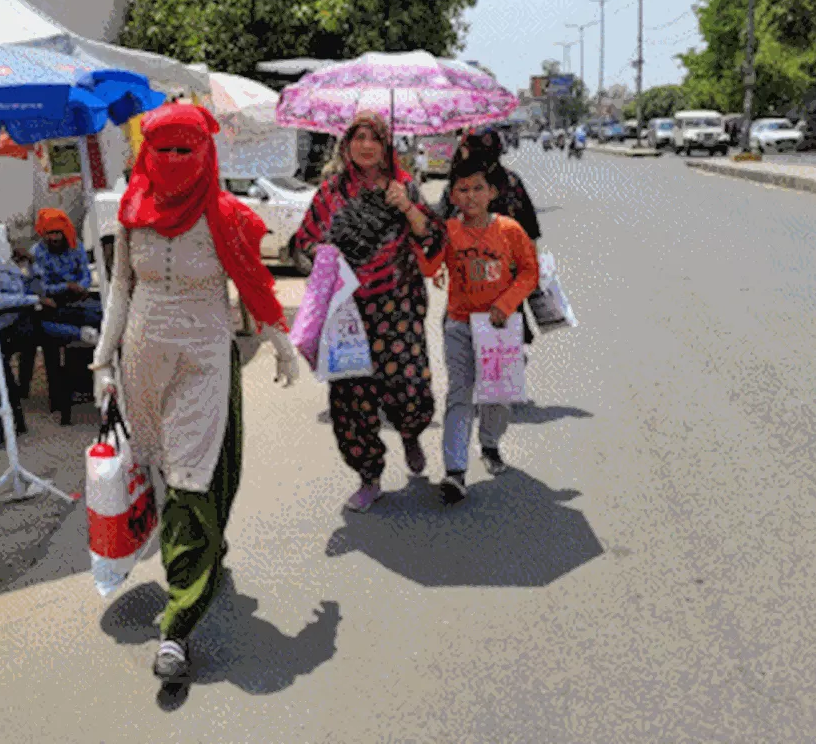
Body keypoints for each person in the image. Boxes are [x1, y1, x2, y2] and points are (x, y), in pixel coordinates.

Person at [90, 102, 299, 682]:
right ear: (147, 153)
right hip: (143, 359)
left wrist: (280, 343)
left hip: (205, 357)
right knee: (167, 475)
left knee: (191, 479)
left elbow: (255, 284)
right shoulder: (132, 212)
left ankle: (176, 628)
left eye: (187, 149)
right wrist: (103, 361)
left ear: (206, 154)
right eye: (165, 150)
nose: (177, 161)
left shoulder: (226, 215)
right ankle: (203, 557)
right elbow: (121, 289)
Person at [293, 112, 444, 514]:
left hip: (397, 309)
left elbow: (432, 240)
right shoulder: (329, 194)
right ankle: (369, 475)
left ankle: (411, 432)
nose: (365, 146)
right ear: (346, 145)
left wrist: (407, 207)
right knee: (351, 401)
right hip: (347, 314)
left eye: (374, 138)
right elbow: (302, 243)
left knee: (410, 388)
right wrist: (323, 253)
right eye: (358, 138)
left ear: (385, 145)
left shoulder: (404, 187)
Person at [425, 155, 539, 504]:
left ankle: (490, 442)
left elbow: (529, 273)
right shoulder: (448, 231)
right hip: (459, 326)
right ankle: (455, 471)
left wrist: (505, 305)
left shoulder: (510, 230)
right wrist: (424, 239)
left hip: (499, 331)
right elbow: (429, 268)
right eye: (462, 189)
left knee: (498, 396)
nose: (471, 196)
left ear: (491, 192)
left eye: (478, 188)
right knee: (459, 394)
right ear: (454, 196)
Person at [0, 224, 48, 415]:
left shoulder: (4, 263)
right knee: (46, 333)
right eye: (7, 241)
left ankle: (23, 388)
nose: (10, 245)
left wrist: (31, 264)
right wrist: (33, 300)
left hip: (21, 316)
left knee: (51, 321)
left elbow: (33, 285)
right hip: (7, 324)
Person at [28, 208, 101, 347]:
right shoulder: (37, 253)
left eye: (57, 233)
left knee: (101, 314)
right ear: (43, 234)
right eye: (50, 234)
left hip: (79, 298)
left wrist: (81, 287)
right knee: (43, 326)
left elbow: (85, 273)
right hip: (54, 302)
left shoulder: (75, 245)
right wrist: (66, 287)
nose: (55, 238)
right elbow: (42, 287)